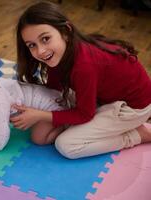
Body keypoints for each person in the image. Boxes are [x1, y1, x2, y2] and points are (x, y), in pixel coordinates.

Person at [10, 1, 151, 159]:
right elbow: (54, 90)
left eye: (45, 39)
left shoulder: (84, 65)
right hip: (103, 98)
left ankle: (139, 135)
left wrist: (41, 115)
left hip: (132, 108)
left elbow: (85, 114)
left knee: (66, 145)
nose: (40, 51)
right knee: (39, 136)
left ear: (65, 31)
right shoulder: (57, 54)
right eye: (31, 45)